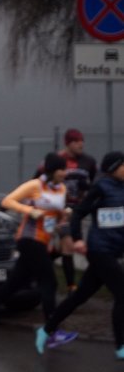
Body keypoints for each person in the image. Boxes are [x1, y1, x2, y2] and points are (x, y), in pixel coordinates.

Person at [0, 153, 77, 347]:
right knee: (49, 282)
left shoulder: (62, 189)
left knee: (14, 285)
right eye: (61, 170)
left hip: (43, 240)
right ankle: (51, 331)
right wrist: (29, 211)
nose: (65, 173)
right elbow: (7, 201)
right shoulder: (34, 186)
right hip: (29, 239)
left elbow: (55, 218)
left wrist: (64, 216)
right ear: (51, 171)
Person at [36, 151, 124, 359]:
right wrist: (76, 238)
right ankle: (121, 346)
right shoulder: (101, 187)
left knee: (80, 296)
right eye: (123, 165)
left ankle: (46, 329)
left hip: (113, 250)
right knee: (122, 294)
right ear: (113, 168)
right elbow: (78, 213)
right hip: (99, 250)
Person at [35, 128, 98, 291]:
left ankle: (42, 262)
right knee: (69, 244)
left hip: (76, 211)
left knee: (64, 246)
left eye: (82, 141)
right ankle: (71, 286)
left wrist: (88, 189)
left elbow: (95, 182)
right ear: (68, 143)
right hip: (57, 209)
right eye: (76, 141)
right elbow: (37, 180)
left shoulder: (88, 161)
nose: (81, 144)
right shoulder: (56, 160)